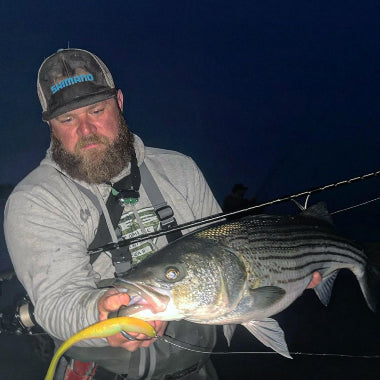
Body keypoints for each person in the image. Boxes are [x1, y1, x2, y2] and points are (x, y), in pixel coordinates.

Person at [4, 48, 221, 379]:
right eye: (67, 119)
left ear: (118, 102)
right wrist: (101, 317)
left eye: (96, 110)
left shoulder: (180, 170)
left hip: (199, 368)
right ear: (50, 125)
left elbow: (226, 254)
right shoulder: (36, 199)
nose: (86, 129)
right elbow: (56, 301)